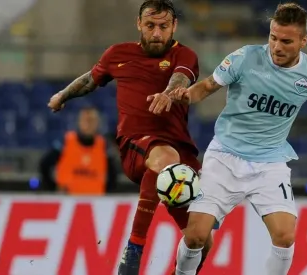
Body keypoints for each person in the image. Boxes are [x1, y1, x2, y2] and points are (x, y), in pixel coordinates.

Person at [150, 3, 307, 275]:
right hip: (225, 157)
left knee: (285, 237)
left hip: (270, 163)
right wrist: (184, 95)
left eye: (286, 41)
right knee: (196, 236)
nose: (276, 47)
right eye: (272, 37)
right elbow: (207, 87)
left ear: (303, 42)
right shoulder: (245, 58)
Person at [46, 1, 212, 274]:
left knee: (201, 241)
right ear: (139, 24)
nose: (156, 33)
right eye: (150, 26)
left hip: (180, 155)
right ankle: (134, 249)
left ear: (174, 26)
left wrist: (167, 95)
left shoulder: (185, 55)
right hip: (136, 145)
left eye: (163, 26)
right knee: (164, 156)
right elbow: (91, 79)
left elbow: (181, 78)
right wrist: (62, 95)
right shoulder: (118, 54)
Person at [39, 106, 118, 195]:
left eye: (92, 121)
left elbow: (113, 176)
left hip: (95, 201)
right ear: (79, 122)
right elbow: (44, 164)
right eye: (85, 120)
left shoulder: (103, 146)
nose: (88, 124)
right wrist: (53, 187)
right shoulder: (66, 142)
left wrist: (106, 194)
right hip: (68, 201)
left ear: (97, 123)